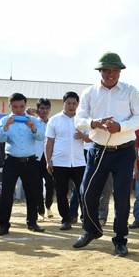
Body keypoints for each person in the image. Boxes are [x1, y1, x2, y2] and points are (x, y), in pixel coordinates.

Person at [72, 52, 139, 257]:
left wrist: (120, 126)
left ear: (120, 72)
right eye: (106, 70)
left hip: (124, 152)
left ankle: (120, 239)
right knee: (86, 192)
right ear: (100, 71)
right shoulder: (89, 92)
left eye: (115, 70)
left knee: (122, 198)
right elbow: (79, 119)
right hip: (97, 150)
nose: (110, 74)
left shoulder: (130, 91)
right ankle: (91, 229)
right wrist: (95, 123)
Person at [0, 93, 46, 236]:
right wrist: (7, 126)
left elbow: (41, 137)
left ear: (25, 105)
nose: (18, 110)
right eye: (15, 107)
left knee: (32, 193)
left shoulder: (33, 120)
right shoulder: (4, 120)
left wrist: (33, 127)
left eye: (21, 106)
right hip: (11, 161)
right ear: (10, 106)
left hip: (30, 161)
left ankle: (32, 222)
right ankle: (3, 225)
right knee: (7, 194)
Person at [45, 91, 86, 231]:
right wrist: (48, 161)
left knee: (83, 192)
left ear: (78, 105)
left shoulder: (82, 120)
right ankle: (66, 219)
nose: (71, 106)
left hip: (79, 162)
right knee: (61, 193)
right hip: (59, 162)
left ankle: (86, 218)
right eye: (68, 103)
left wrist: (83, 136)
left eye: (74, 103)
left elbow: (92, 138)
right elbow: (49, 142)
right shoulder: (54, 120)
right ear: (63, 103)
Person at [35, 98, 55, 220]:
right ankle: (40, 211)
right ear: (38, 109)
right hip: (36, 158)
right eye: (42, 108)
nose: (45, 110)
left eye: (47, 108)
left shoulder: (53, 122)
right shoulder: (33, 121)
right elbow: (27, 111)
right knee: (37, 186)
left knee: (50, 185)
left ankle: (48, 206)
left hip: (50, 159)